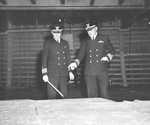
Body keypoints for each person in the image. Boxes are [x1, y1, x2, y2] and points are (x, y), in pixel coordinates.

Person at [68, 20, 115, 99]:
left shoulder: (104, 38)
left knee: (104, 94)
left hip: (101, 70)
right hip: (89, 72)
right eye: (87, 30)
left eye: (91, 29)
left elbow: (112, 50)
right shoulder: (85, 41)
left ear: (96, 28)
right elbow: (80, 55)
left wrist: (107, 57)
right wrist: (75, 63)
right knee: (92, 96)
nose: (89, 32)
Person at [41, 18, 73, 99]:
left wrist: (70, 72)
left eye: (59, 32)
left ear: (61, 32)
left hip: (63, 73)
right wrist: (44, 74)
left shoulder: (65, 43)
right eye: (55, 32)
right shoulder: (48, 43)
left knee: (64, 95)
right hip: (52, 74)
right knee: (51, 95)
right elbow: (44, 60)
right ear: (52, 32)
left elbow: (68, 59)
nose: (57, 34)